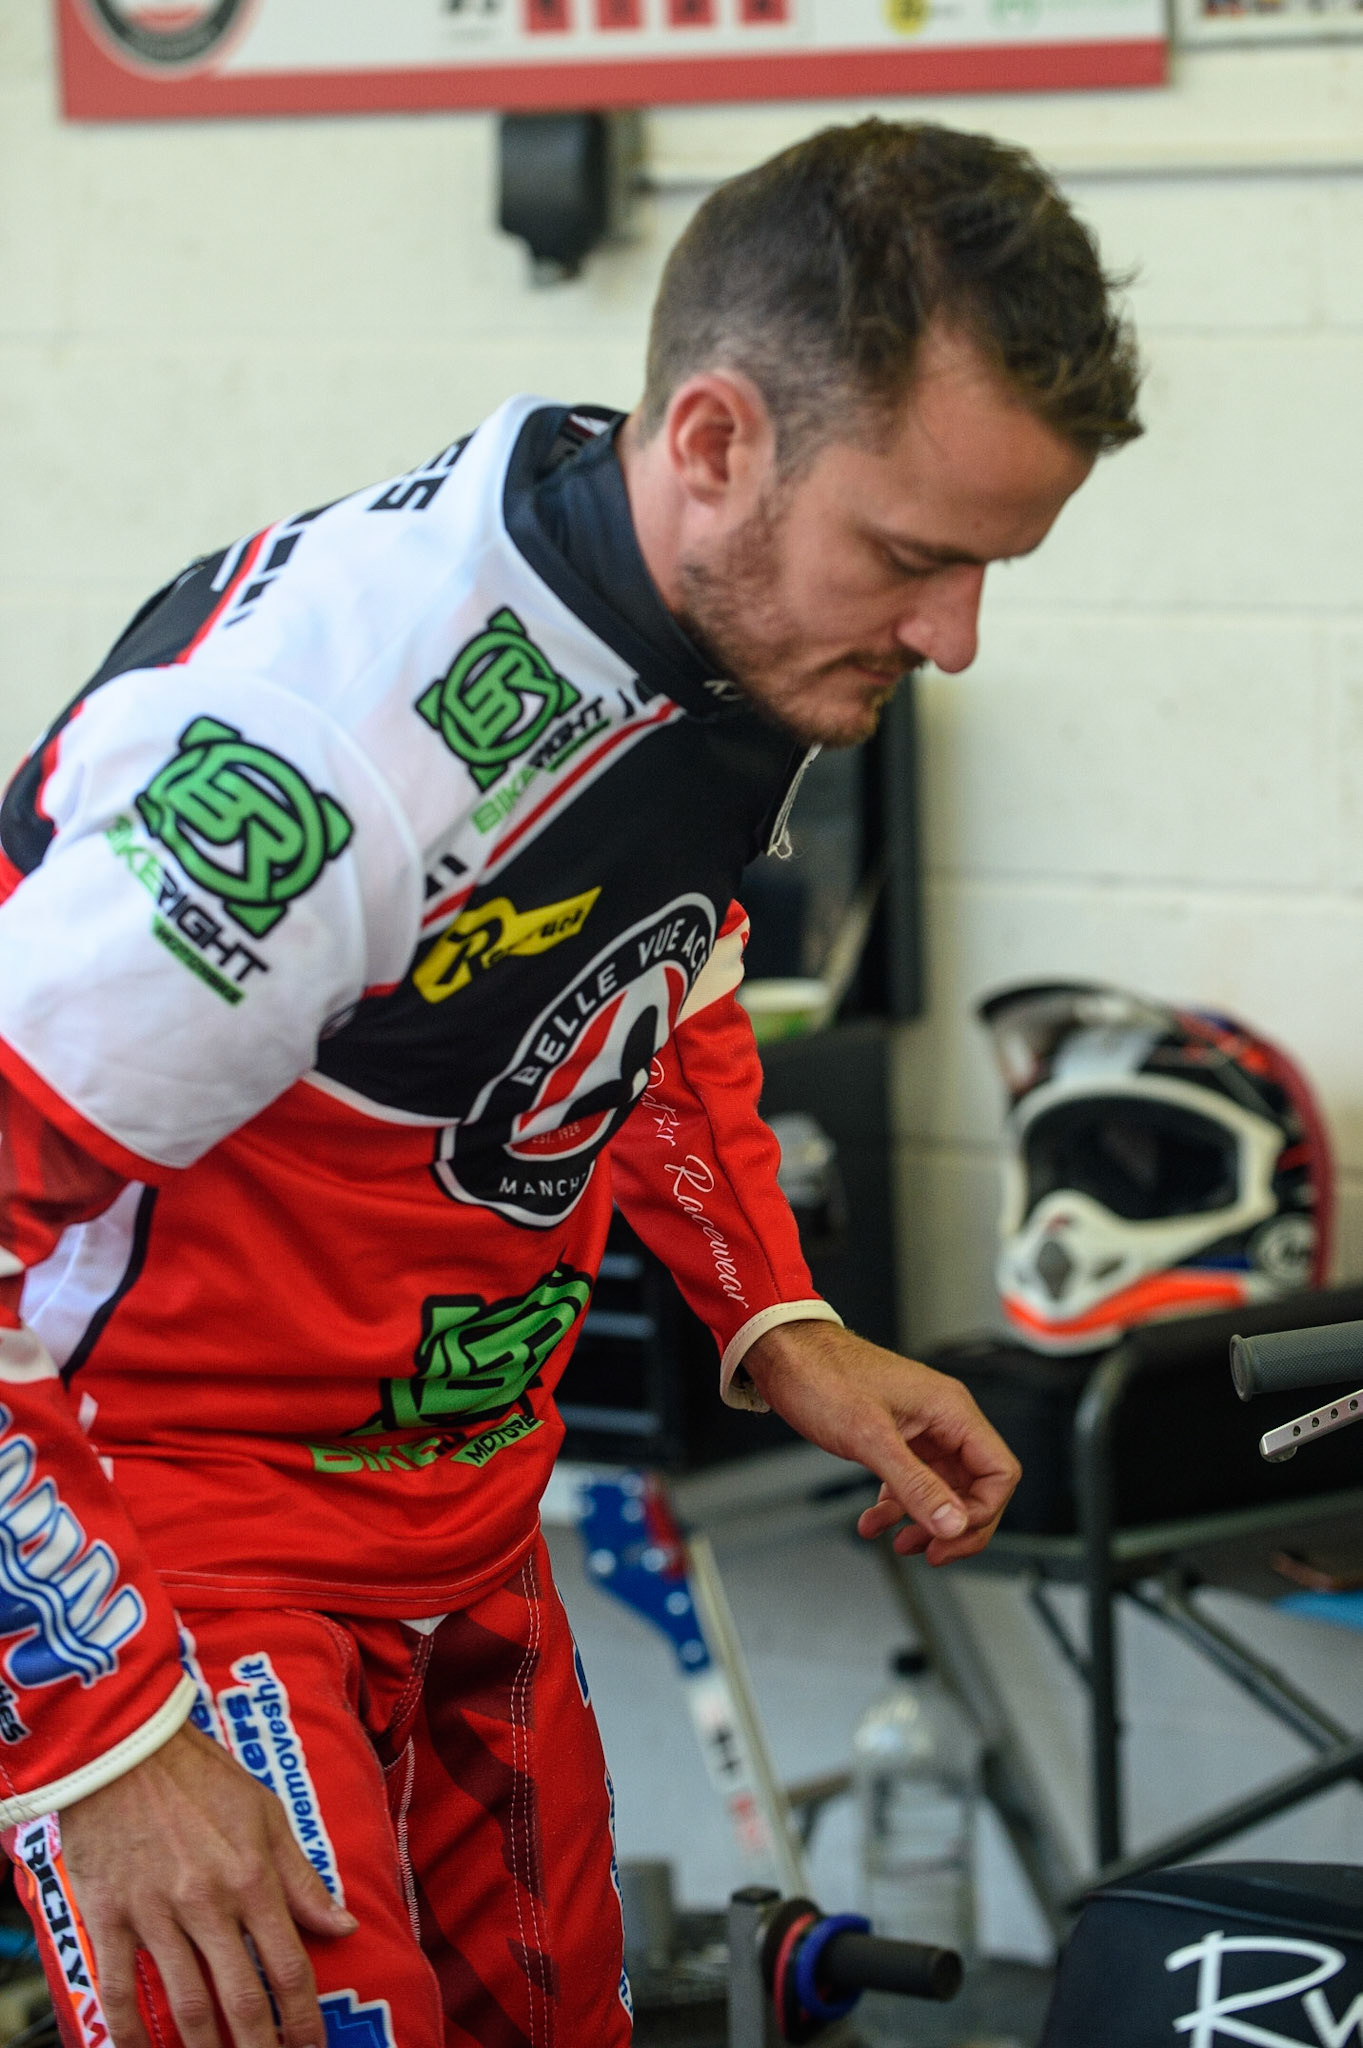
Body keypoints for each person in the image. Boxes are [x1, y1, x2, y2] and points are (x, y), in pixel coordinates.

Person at [0, 119, 1139, 2048]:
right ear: (711, 441)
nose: (951, 637)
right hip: (178, 1557)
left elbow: (644, 974)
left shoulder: (712, 629)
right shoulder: (321, 759)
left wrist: (776, 1317)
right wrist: (94, 1740)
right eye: (917, 560)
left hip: (468, 1523)